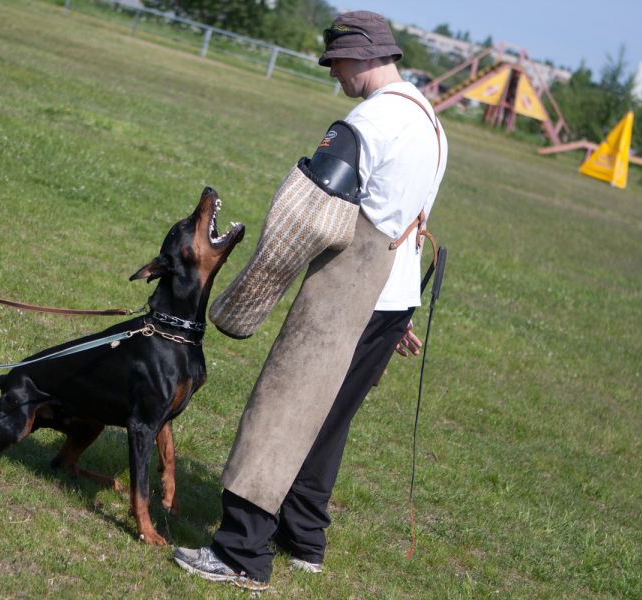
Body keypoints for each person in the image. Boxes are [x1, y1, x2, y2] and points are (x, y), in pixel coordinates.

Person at [173, 11, 448, 591]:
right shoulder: (429, 118)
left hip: (348, 292)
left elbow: (305, 212)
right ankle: (303, 537)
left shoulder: (367, 121)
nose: (333, 75)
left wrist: (255, 286)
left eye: (337, 63)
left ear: (363, 55)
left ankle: (241, 553)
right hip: (395, 295)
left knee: (283, 409)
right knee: (330, 420)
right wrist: (397, 311)